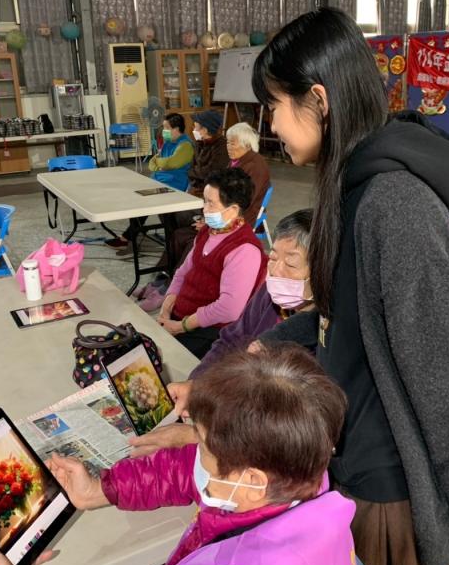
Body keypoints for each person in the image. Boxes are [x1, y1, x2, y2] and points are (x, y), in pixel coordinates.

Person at [244, 7, 449, 565]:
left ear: (318, 99)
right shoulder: (349, 189)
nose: (272, 125)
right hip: (355, 466)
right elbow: (346, 317)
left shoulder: (393, 205)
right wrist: (273, 345)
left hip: (395, 497)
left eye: (274, 105)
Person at [0, 346, 358, 565]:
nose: (194, 451)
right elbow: (183, 470)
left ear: (253, 479)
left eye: (202, 444)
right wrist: (100, 489)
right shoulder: (295, 474)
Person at [129, 209, 314, 457]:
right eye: (272, 258)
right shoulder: (270, 295)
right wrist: (197, 384)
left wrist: (201, 437)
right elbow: (231, 339)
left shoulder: (326, 338)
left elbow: (284, 427)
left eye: (291, 264)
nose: (276, 271)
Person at [158, 167, 267, 359]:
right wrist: (166, 309)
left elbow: (229, 309)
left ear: (233, 210)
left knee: (160, 358)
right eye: (204, 201)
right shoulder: (207, 232)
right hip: (182, 317)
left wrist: (181, 326)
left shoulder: (244, 249)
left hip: (210, 330)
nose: (204, 209)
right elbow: (183, 272)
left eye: (210, 203)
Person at [106, 113, 194, 251]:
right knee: (136, 196)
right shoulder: (168, 143)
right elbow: (152, 164)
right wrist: (161, 163)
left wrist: (161, 163)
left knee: (145, 200)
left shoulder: (185, 145)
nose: (163, 131)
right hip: (160, 180)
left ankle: (129, 237)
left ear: (176, 128)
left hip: (174, 185)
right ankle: (130, 235)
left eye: (166, 127)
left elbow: (171, 163)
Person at [226, 122, 271, 227]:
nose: (228, 147)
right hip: (229, 208)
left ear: (247, 145)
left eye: (232, 144)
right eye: (227, 143)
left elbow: (245, 199)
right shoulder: (236, 160)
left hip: (243, 216)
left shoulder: (256, 166)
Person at [187, 109, 229, 197]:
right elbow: (192, 166)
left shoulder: (222, 146)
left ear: (205, 130)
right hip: (196, 187)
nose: (194, 130)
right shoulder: (199, 143)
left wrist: (194, 172)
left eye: (196, 127)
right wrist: (196, 172)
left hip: (213, 191)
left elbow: (211, 172)